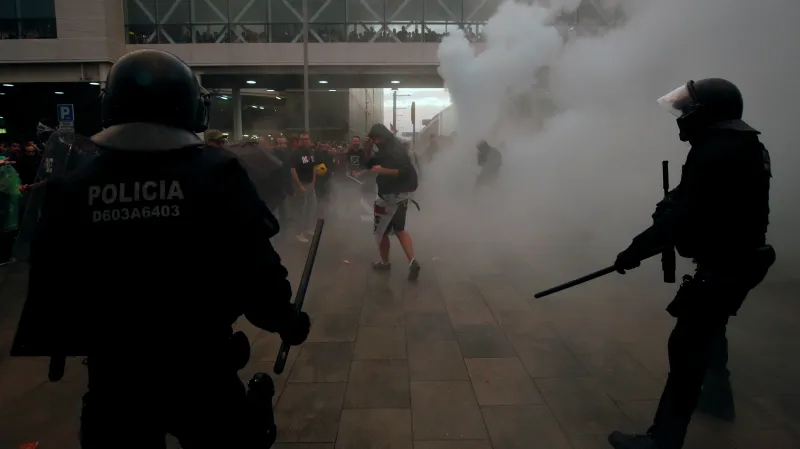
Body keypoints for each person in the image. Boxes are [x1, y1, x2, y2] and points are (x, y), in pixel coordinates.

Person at [12, 49, 310, 449]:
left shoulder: (73, 186)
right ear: (191, 107)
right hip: (201, 370)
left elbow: (52, 281)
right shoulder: (216, 174)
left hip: (114, 378)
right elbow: (254, 266)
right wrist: (284, 319)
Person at [608, 78, 775, 449]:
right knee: (710, 333)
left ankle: (663, 440)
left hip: (726, 264)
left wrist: (635, 251)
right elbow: (695, 200)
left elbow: (684, 216)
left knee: (686, 347)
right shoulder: (746, 145)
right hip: (739, 261)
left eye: (687, 111)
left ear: (706, 115)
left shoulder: (715, 151)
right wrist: (673, 206)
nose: (681, 118)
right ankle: (717, 401)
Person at [365, 124, 420, 280]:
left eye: (374, 138)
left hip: (388, 197)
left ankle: (385, 262)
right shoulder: (388, 148)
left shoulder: (393, 150)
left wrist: (385, 171)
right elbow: (370, 164)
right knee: (400, 229)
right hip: (399, 197)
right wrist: (367, 148)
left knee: (381, 231)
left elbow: (406, 171)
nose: (375, 142)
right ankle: (412, 261)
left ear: (379, 137)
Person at [290, 131, 316, 243]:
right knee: (301, 209)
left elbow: (313, 167)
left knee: (312, 207)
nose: (305, 141)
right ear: (300, 140)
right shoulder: (296, 153)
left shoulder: (310, 152)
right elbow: (292, 170)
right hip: (300, 184)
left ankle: (307, 228)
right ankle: (298, 232)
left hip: (310, 184)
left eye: (307, 139)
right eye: (303, 139)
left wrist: (313, 181)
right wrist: (299, 186)